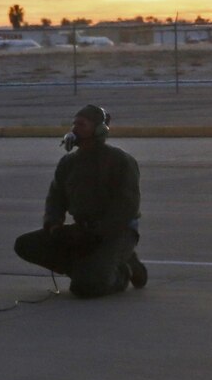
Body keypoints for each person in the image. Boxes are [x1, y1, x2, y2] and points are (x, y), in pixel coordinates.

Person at [13, 103, 146, 297]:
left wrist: (97, 233)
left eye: (81, 124)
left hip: (117, 233)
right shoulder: (68, 163)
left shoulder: (120, 161)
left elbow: (126, 207)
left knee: (85, 288)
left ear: (99, 130)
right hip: (83, 230)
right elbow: (56, 199)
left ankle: (124, 270)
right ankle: (89, 269)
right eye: (74, 124)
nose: (74, 129)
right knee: (26, 245)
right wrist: (54, 226)